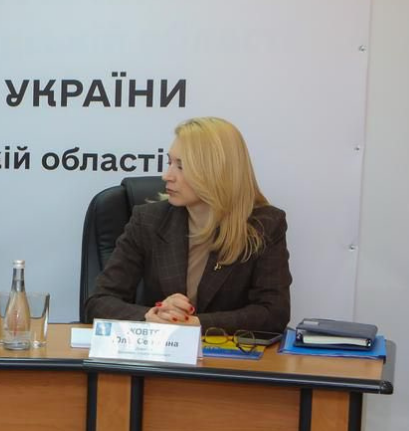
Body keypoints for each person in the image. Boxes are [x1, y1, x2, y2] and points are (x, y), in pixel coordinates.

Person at [85, 116, 291, 333]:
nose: (167, 176)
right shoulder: (148, 220)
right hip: (160, 350)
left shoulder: (264, 225)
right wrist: (150, 316)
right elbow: (98, 302)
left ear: (216, 171)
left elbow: (274, 313)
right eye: (170, 163)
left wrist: (197, 323)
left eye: (181, 166)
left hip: (223, 352)